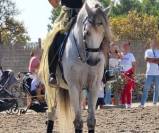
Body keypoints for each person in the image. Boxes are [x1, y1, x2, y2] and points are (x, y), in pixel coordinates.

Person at [48, 0, 83, 86]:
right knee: (55, 38)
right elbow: (54, 4)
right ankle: (52, 74)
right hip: (67, 16)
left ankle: (105, 72)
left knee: (98, 34)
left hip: (83, 16)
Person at [140, 39, 159, 107]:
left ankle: (155, 103)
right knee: (146, 88)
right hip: (149, 73)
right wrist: (155, 60)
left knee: (157, 89)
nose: (153, 44)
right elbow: (146, 59)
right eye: (152, 43)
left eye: (155, 43)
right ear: (150, 44)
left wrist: (152, 60)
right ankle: (142, 104)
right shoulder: (148, 51)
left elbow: (158, 61)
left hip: (157, 73)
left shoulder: (158, 51)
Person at [119, 41, 136, 108]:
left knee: (128, 90)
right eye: (124, 45)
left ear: (129, 47)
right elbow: (118, 64)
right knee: (122, 90)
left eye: (127, 45)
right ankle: (123, 104)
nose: (125, 47)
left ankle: (129, 104)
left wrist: (132, 74)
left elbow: (134, 65)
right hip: (121, 74)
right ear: (122, 46)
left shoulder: (131, 55)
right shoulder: (120, 55)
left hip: (129, 73)